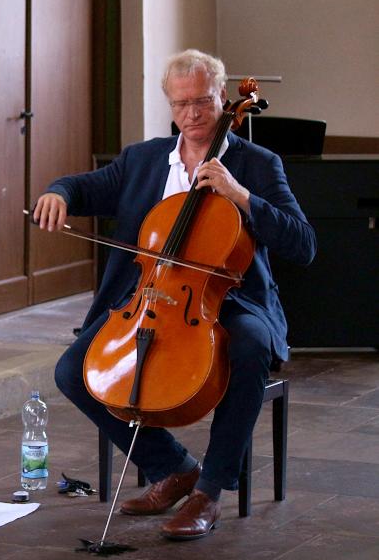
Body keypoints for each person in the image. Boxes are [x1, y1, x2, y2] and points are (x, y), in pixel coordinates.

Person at [33, 49, 316, 540]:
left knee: (249, 348)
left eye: (203, 101)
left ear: (223, 98)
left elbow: (303, 243)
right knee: (73, 371)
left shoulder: (257, 164)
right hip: (151, 298)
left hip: (233, 299)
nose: (192, 114)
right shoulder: (143, 160)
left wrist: (241, 195)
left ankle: (208, 491)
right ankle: (173, 467)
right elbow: (83, 186)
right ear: (170, 105)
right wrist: (58, 192)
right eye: (181, 103)